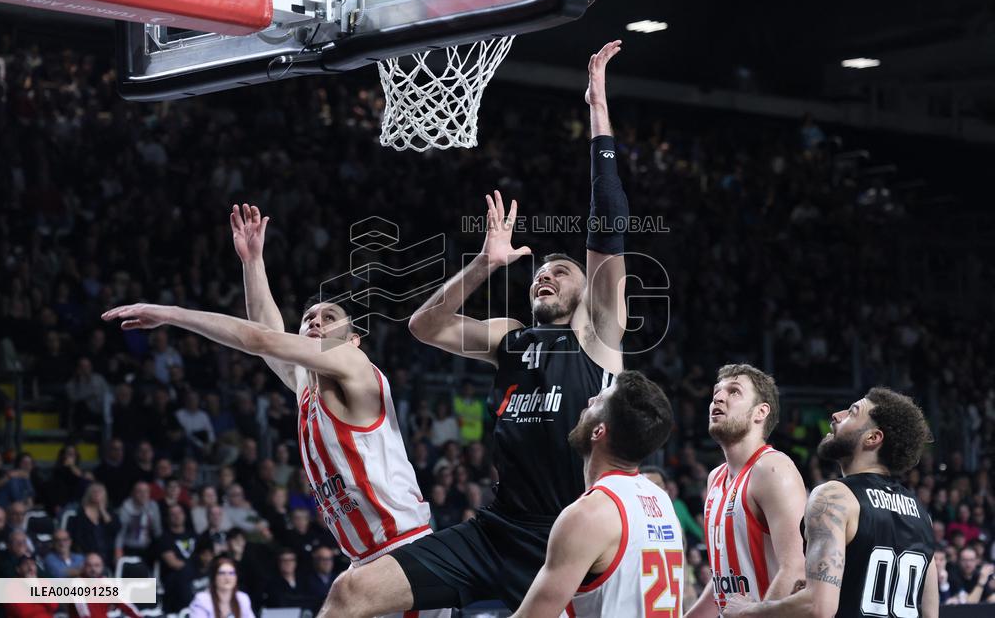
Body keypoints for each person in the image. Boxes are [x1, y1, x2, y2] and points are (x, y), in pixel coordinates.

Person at [320, 40, 631, 617]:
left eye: (561, 272)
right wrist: (484, 265)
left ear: (587, 291)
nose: (546, 275)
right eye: (539, 270)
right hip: (496, 530)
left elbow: (609, 223)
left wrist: (598, 111)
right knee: (351, 592)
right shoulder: (510, 337)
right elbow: (424, 326)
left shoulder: (600, 337)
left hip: (571, 535)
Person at [103, 203, 446, 618]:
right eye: (308, 318)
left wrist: (170, 313)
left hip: (405, 549)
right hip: (369, 560)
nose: (315, 322)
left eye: (330, 317)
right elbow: (267, 331)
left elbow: (261, 340)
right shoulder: (307, 387)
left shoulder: (356, 367)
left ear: (354, 340)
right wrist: (253, 262)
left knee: (338, 600)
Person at [724, 387, 939, 617]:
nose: (837, 415)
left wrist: (747, 611)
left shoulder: (835, 496)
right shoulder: (920, 513)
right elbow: (929, 613)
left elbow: (818, 607)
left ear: (872, 438)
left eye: (852, 412)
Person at [510, 370, 682, 617]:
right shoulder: (661, 499)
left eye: (599, 400)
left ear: (598, 432)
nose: (589, 401)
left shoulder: (589, 514)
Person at [684, 364, 807, 617]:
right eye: (717, 392)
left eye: (734, 392)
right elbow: (722, 580)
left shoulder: (773, 469)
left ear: (760, 412)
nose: (718, 398)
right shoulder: (715, 478)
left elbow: (795, 569)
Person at [67, 553, 142, 618]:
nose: (93, 569)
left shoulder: (106, 582)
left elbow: (126, 604)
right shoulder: (76, 583)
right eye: (89, 565)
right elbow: (82, 610)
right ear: (83, 567)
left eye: (97, 565)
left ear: (102, 567)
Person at [189, 555, 256, 618]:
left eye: (231, 573)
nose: (227, 577)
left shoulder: (242, 599)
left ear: (236, 577)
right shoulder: (202, 600)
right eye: (222, 573)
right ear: (214, 577)